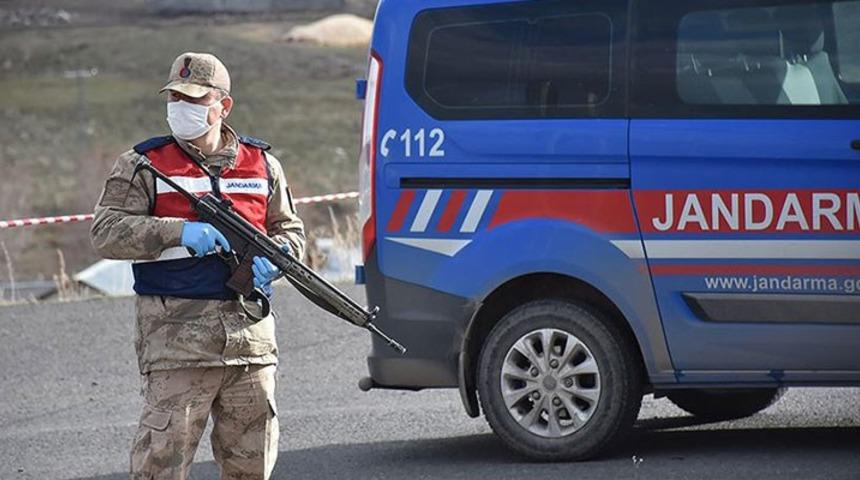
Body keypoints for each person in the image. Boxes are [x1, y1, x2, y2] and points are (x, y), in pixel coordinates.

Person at [90, 52, 305, 480]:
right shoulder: (144, 165)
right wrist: (178, 232)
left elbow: (292, 232)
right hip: (176, 345)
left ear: (223, 105)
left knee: (252, 468)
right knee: (160, 468)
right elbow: (106, 232)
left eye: (193, 98)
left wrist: (276, 258)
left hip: (250, 345)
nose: (181, 108)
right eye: (175, 98)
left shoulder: (262, 165)